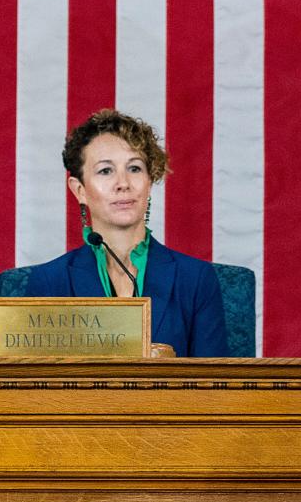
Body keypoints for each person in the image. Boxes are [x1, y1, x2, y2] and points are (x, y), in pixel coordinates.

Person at [23, 108, 229, 358]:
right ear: (80, 190)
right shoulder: (48, 283)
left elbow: (216, 389)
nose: (123, 183)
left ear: (149, 182)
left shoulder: (196, 280)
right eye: (105, 171)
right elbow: (36, 390)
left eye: (134, 168)